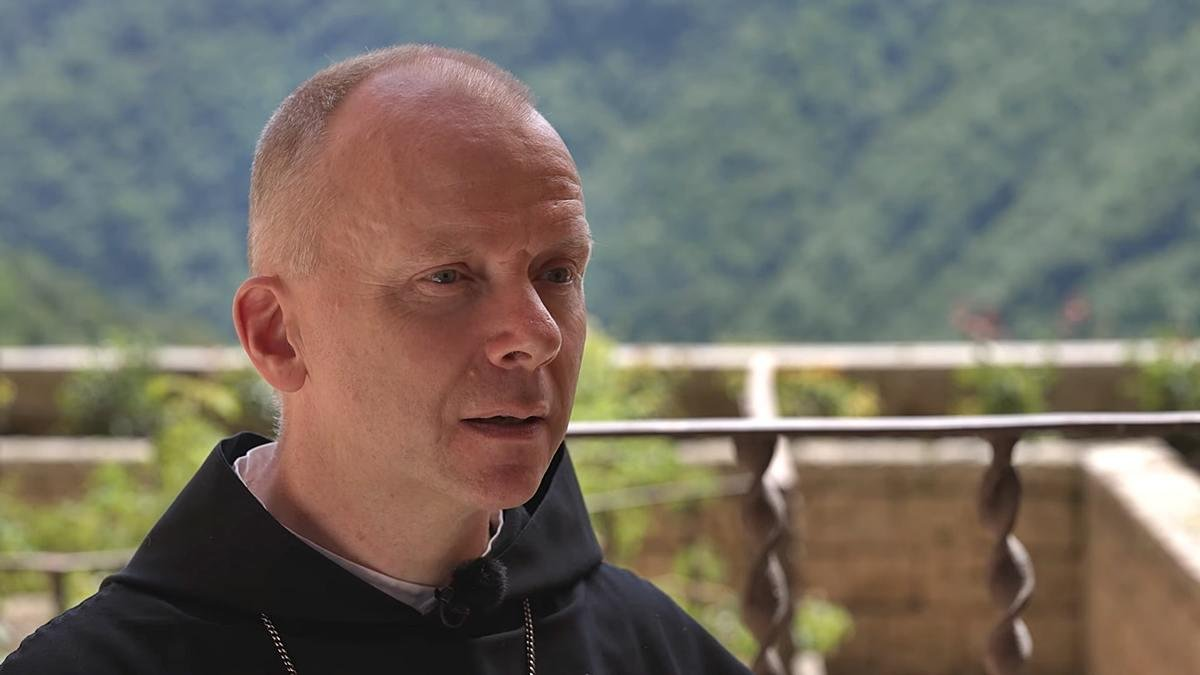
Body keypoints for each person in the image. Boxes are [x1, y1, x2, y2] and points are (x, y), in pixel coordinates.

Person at [0, 44, 751, 674]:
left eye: (557, 272)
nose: (536, 333)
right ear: (278, 335)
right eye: (447, 278)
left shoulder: (651, 646)